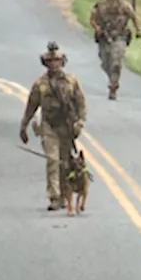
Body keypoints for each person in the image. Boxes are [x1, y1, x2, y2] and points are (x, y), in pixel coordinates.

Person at [19, 42, 88, 211]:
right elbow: (31, 105)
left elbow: (80, 102)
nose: (54, 64)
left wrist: (80, 122)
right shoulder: (40, 84)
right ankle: (54, 197)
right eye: (50, 61)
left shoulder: (71, 81)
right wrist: (24, 125)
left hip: (67, 127)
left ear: (62, 62)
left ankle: (66, 194)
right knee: (52, 160)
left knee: (65, 163)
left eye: (57, 60)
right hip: (49, 126)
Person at [90, 0, 141, 101]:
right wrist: (97, 28)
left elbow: (134, 17)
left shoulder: (125, 6)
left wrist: (138, 30)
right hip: (104, 37)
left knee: (116, 61)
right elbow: (93, 19)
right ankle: (112, 78)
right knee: (106, 62)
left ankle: (113, 85)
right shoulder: (100, 6)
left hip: (120, 36)